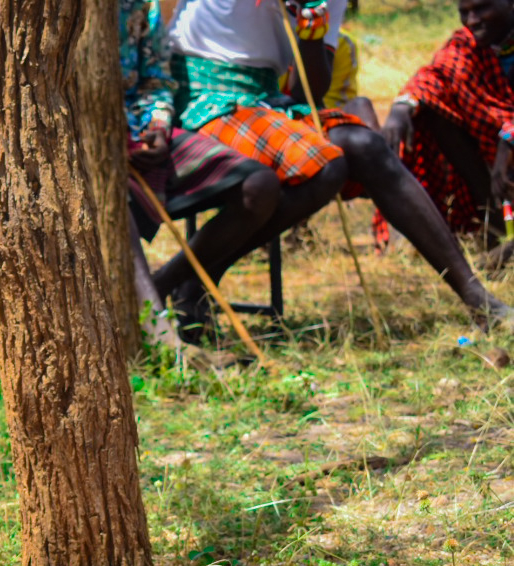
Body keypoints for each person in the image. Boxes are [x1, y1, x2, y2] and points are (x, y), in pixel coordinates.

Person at [169, 0, 512, 324]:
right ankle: (178, 280)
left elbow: (309, 92)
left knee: (363, 145)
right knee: (323, 165)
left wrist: (311, 26)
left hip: (266, 101)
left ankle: (476, 298)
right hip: (201, 96)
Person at [119, 0, 280, 341]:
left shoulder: (139, 5)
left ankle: (173, 284)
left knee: (259, 185)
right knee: (115, 210)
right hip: (81, 148)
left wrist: (158, 125)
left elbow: (156, 81)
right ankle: (159, 337)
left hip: (142, 137)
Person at [382, 0, 514, 260]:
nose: (472, 20)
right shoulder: (467, 44)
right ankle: (491, 220)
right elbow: (435, 77)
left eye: (481, 8)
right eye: (464, 12)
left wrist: (509, 137)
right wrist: (402, 108)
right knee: (433, 110)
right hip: (491, 169)